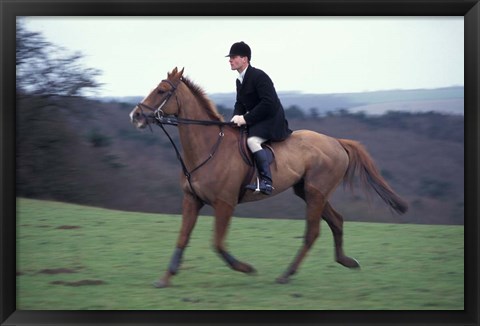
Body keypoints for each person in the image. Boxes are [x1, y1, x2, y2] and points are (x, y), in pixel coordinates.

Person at [226, 41, 292, 195]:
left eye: (233, 57)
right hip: (258, 119)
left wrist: (246, 119)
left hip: (272, 120)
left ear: (245, 59)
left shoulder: (259, 76)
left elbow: (268, 104)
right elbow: (240, 103)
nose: (230, 60)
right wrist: (235, 116)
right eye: (230, 57)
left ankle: (266, 182)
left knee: (252, 141)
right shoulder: (239, 80)